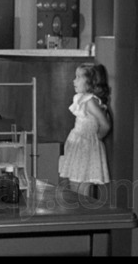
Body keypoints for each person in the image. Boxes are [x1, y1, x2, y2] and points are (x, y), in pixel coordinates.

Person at [58, 62, 111, 198]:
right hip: (78, 144)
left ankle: (82, 206)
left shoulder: (90, 101)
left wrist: (96, 138)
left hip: (85, 146)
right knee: (74, 181)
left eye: (78, 77)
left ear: (90, 82)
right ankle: (79, 205)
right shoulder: (82, 99)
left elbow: (105, 125)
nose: (74, 81)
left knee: (80, 182)